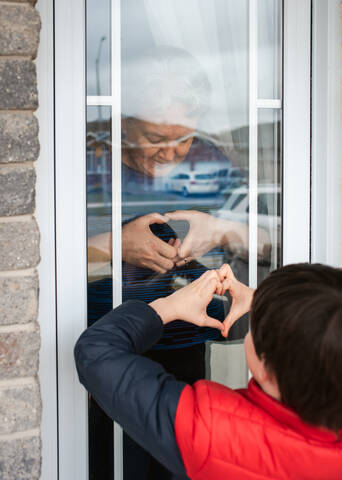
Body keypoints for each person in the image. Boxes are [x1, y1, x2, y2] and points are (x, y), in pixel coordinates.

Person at [75, 263, 342, 479]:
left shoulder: (213, 432)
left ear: (267, 371)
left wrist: (167, 307)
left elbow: (97, 353)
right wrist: (273, 304)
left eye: (255, 329)